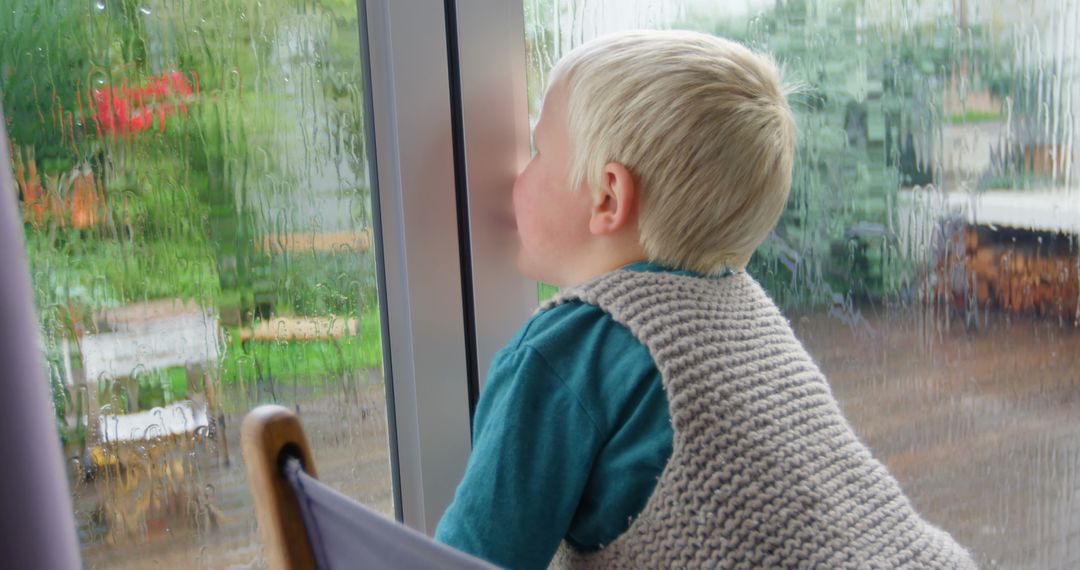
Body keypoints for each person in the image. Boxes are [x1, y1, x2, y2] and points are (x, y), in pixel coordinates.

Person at [435, 30, 976, 569]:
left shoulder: (567, 351)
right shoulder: (746, 313)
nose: (515, 173)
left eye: (536, 151)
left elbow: (470, 559)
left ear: (607, 197)